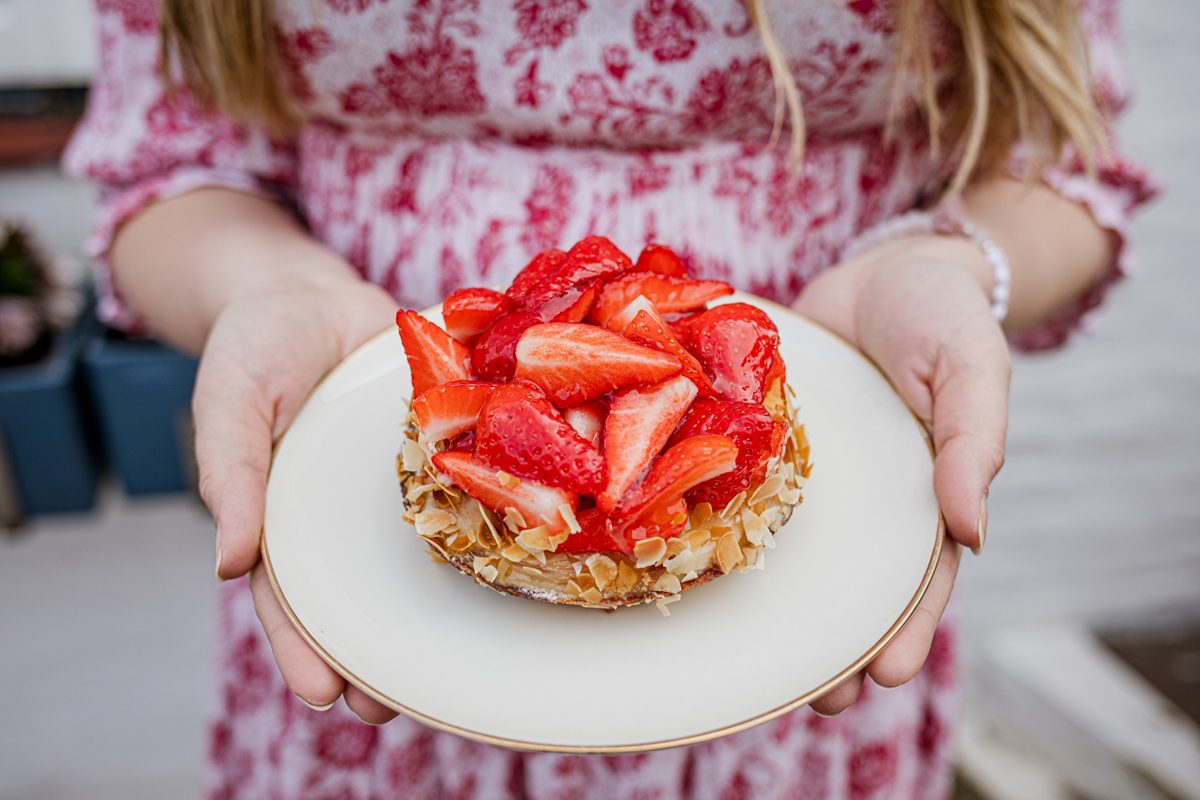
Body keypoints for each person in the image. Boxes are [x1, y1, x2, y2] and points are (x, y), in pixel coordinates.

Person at [64, 0, 1156, 797]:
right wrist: (262, 287)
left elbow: (1063, 159)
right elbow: (173, 158)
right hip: (369, 575)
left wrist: (955, 264)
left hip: (818, 581)